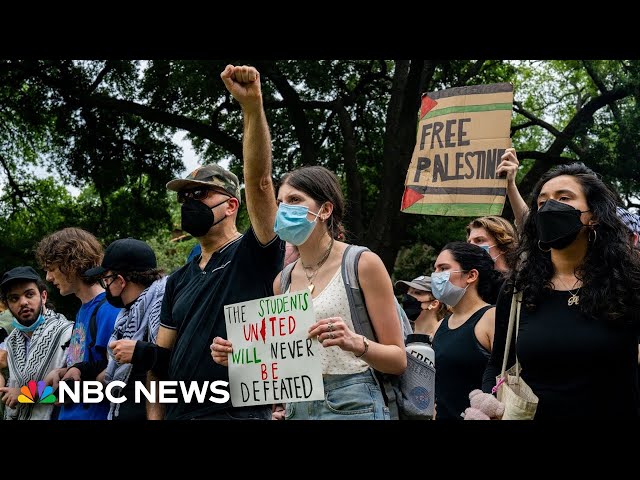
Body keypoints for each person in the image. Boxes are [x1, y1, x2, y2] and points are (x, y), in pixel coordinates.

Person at [212, 165, 407, 420]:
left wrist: (355, 343)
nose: (283, 209)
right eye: (280, 202)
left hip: (354, 404)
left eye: (294, 200)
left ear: (325, 210)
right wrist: (240, 359)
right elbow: (285, 361)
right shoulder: (282, 282)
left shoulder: (362, 263)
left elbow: (398, 359)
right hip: (298, 407)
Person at [150, 64, 285, 421]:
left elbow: (260, 182)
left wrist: (252, 108)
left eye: (201, 194)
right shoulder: (178, 280)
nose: (190, 203)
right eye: (186, 197)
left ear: (230, 205)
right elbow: (160, 361)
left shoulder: (255, 251)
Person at [482, 162, 640, 419]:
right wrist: (488, 403)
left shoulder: (629, 284)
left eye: (564, 198)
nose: (549, 208)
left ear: (594, 215)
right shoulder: (518, 290)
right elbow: (497, 362)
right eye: (542, 202)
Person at [37, 227, 121, 420]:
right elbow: (86, 364)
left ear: (72, 264)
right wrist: (62, 372)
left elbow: (118, 375)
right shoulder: (83, 310)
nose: (49, 277)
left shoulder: (108, 310)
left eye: (52, 268)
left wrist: (74, 389)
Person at [83, 238, 167, 420]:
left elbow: (175, 362)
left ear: (120, 281)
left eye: (106, 279)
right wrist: (81, 370)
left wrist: (141, 352)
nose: (105, 287)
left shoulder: (162, 310)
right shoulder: (127, 317)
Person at [431, 242, 504, 420]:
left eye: (444, 268)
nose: (436, 275)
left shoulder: (491, 317)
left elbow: (506, 378)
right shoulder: (440, 325)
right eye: (435, 269)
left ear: (471, 275)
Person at [0, 266, 72, 420]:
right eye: (14, 298)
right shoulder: (11, 341)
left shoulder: (67, 333)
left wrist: (24, 394)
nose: (23, 302)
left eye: (29, 294)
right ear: (7, 306)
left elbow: (71, 393)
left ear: (43, 296)